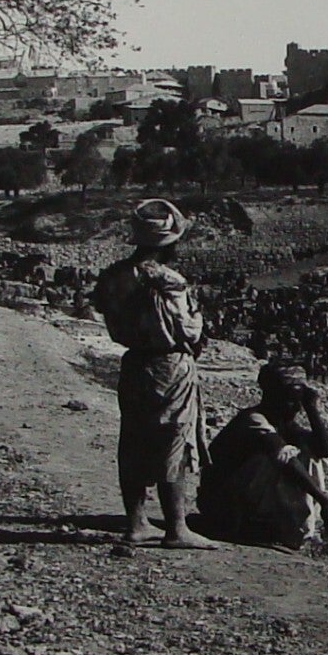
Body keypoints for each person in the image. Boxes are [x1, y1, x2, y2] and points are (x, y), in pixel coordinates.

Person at [90, 199, 216, 549]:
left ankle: (136, 522)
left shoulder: (116, 275)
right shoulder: (167, 280)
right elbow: (189, 331)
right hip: (169, 365)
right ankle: (177, 527)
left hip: (134, 362)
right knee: (173, 440)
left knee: (133, 439)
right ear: (170, 243)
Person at [200, 361, 328, 550]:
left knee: (308, 454)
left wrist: (311, 408)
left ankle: (291, 527)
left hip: (240, 500)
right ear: (272, 396)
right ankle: (275, 527)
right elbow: (285, 459)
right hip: (221, 503)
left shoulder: (284, 423)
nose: (296, 407)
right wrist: (324, 500)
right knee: (285, 459)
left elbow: (324, 451)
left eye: (299, 401)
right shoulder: (253, 420)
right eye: (290, 400)